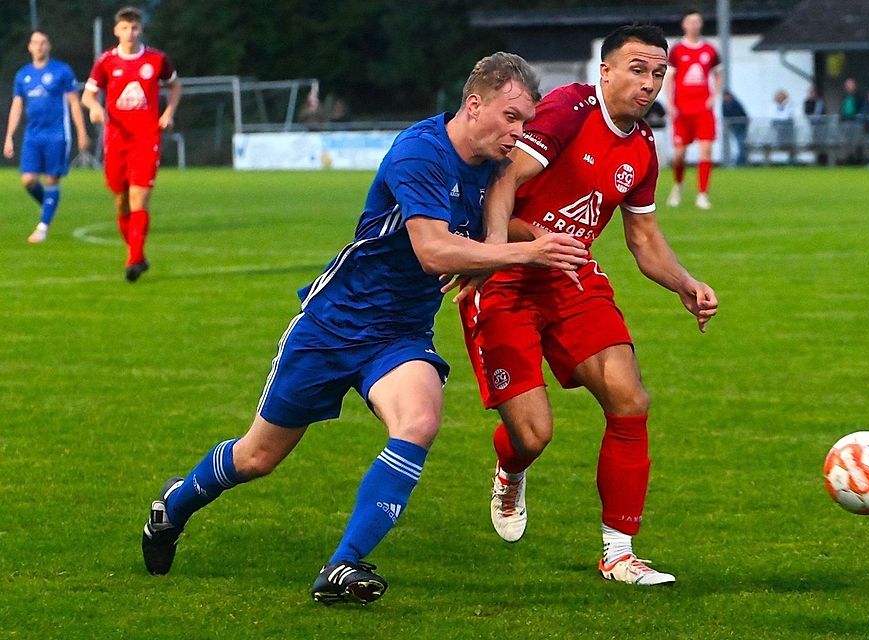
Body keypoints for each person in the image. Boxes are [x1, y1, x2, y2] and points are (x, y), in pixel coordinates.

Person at [139, 52, 588, 606]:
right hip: (334, 324)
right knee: (258, 456)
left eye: (527, 121)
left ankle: (342, 567)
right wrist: (529, 251)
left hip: (399, 334)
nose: (520, 134)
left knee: (419, 420)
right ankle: (172, 506)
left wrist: (497, 255)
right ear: (475, 105)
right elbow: (432, 251)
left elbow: (488, 235)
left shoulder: (495, 165)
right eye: (513, 118)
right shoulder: (421, 152)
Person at [456, 25, 718, 587]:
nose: (648, 84)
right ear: (605, 71)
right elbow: (501, 180)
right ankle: (511, 467)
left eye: (657, 74)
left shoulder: (643, 146)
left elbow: (643, 240)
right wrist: (505, 252)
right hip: (507, 276)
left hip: (570, 276)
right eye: (637, 69)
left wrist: (685, 283)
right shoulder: (569, 110)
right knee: (533, 435)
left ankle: (619, 552)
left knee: (630, 398)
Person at [81, 6, 181, 282]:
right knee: (121, 201)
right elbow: (88, 95)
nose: (130, 32)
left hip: (146, 138)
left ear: (141, 30)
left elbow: (175, 86)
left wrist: (168, 113)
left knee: (140, 198)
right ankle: (136, 252)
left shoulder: (156, 59)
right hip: (115, 140)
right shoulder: (106, 62)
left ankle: (134, 259)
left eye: (134, 27)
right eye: (124, 28)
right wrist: (94, 108)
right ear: (116, 31)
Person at [3, 31, 90, 243]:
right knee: (28, 180)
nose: (39, 46)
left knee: (52, 179)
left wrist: (82, 132)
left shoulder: (61, 71)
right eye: (35, 43)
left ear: (49, 46)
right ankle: (49, 206)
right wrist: (9, 136)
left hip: (57, 135)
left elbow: (74, 103)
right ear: (29, 47)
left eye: (43, 43)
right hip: (32, 135)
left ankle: (43, 227)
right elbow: (17, 106)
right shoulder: (23, 75)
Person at [664, 10, 722, 209]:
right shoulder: (677, 50)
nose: (694, 25)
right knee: (680, 154)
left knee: (705, 151)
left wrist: (714, 96)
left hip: (703, 110)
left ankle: (702, 195)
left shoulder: (709, 50)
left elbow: (718, 74)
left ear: (701, 24)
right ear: (684, 24)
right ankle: (678, 185)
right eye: (690, 21)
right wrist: (670, 104)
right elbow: (669, 78)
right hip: (682, 110)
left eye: (697, 21)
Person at [721, 90, 748, 166]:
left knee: (741, 143)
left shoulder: (736, 104)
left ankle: (741, 161)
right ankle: (736, 161)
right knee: (737, 144)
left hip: (740, 127)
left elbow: (741, 115)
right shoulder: (724, 104)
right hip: (733, 127)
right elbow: (725, 116)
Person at [770, 89, 795, 162]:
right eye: (778, 97)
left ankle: (791, 161)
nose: (780, 99)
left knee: (789, 146)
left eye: (782, 97)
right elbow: (773, 117)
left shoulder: (789, 105)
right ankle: (777, 161)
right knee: (779, 145)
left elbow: (788, 116)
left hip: (788, 130)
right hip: (777, 130)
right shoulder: (773, 107)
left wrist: (785, 105)